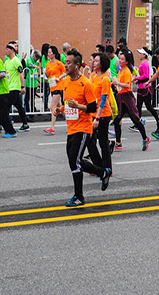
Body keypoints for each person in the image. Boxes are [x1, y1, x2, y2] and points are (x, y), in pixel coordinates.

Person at [52, 49, 112, 207]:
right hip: (71, 128)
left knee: (75, 160)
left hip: (83, 128)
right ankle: (103, 172)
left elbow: (92, 107)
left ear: (77, 65)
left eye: (69, 62)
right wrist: (61, 110)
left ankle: (79, 195)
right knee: (73, 161)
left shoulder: (86, 83)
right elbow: (68, 104)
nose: (66, 65)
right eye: (65, 62)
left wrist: (78, 105)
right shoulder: (66, 82)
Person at [112, 51, 151, 151]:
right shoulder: (121, 70)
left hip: (127, 98)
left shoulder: (126, 71)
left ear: (126, 61)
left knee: (136, 120)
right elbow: (120, 85)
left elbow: (127, 85)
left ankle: (145, 138)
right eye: (119, 59)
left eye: (122, 59)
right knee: (117, 121)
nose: (119, 61)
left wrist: (117, 83)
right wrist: (114, 84)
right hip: (121, 98)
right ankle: (118, 143)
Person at [86, 53, 113, 171]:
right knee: (89, 140)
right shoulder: (93, 76)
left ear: (102, 64)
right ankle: (98, 165)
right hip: (92, 113)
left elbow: (103, 100)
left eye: (96, 61)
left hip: (103, 114)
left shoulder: (105, 79)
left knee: (103, 142)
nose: (94, 63)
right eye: (93, 61)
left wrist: (97, 118)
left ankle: (107, 168)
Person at [131, 47, 159, 130]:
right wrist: (138, 80)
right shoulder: (143, 63)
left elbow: (146, 76)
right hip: (141, 88)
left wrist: (136, 78)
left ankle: (158, 121)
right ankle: (138, 123)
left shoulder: (145, 64)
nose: (139, 55)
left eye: (140, 53)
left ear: (144, 55)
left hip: (145, 89)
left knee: (149, 107)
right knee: (138, 107)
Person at [5, 43, 29, 132]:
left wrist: (22, 86)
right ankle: (25, 124)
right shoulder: (7, 62)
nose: (6, 51)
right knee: (19, 106)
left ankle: (2, 124)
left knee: (5, 106)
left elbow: (21, 73)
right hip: (8, 87)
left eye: (8, 49)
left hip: (15, 88)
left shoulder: (16, 61)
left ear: (12, 50)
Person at [43, 46, 66, 135]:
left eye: (50, 52)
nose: (48, 54)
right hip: (52, 86)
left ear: (54, 54)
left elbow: (65, 72)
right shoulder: (48, 64)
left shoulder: (59, 63)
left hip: (59, 86)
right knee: (60, 108)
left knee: (53, 106)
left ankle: (52, 127)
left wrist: (59, 77)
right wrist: (46, 74)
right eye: (48, 52)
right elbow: (48, 75)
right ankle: (70, 123)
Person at [24, 50, 42, 116]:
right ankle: (28, 111)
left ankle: (32, 110)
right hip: (29, 83)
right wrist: (36, 67)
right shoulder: (29, 59)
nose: (37, 59)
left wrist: (38, 80)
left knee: (32, 98)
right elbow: (29, 65)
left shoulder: (36, 62)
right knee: (27, 98)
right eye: (36, 58)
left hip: (34, 83)